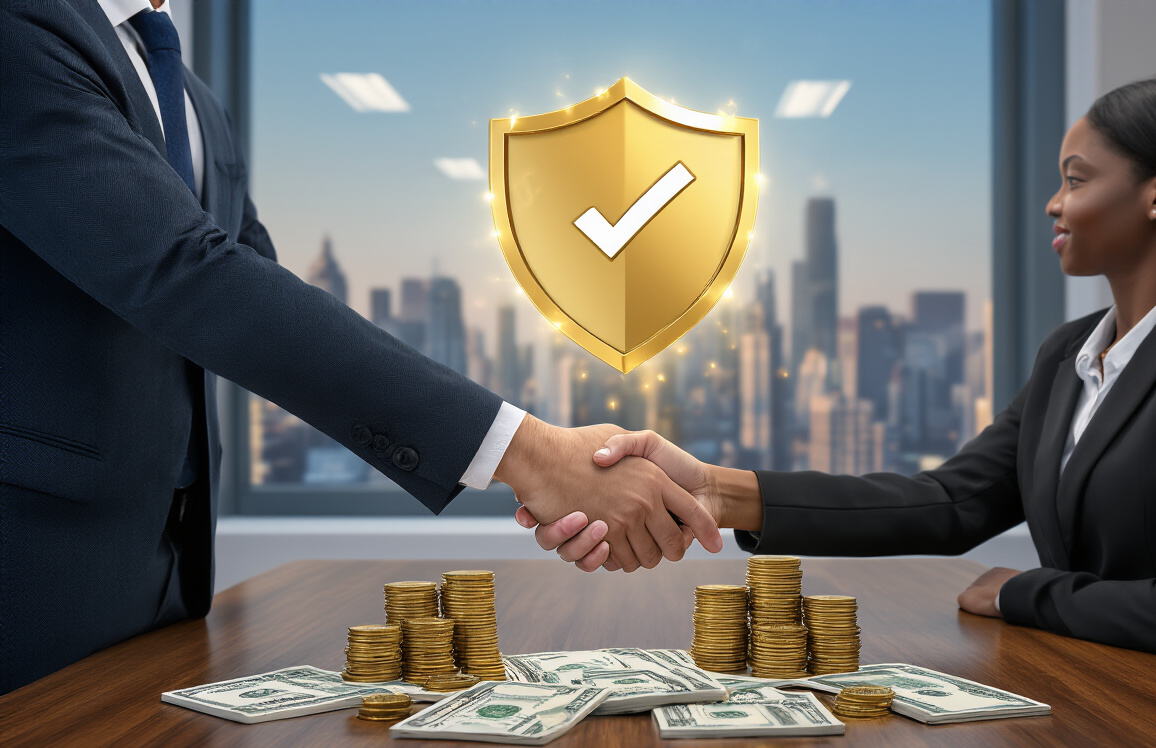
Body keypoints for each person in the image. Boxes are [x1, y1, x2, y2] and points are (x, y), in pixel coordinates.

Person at [0, 0, 719, 694]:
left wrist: (541, 453)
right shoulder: (22, 25)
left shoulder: (191, 97)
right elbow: (189, 276)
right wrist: (527, 452)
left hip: (167, 562)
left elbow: (258, 292)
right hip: (33, 560)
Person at [521, 72, 1156, 703]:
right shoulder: (1070, 354)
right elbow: (952, 503)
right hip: (1096, 705)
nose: (1053, 204)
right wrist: (715, 490)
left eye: (1076, 180)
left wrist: (1018, 592)